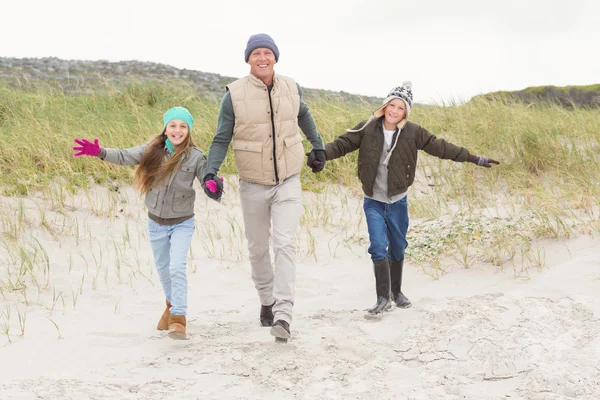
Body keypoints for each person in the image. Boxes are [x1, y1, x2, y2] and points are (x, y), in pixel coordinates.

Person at [322, 82, 500, 316]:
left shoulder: (413, 132)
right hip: (373, 200)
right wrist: (320, 154)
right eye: (391, 105)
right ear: (385, 105)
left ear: (406, 112)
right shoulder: (368, 127)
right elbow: (343, 143)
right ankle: (382, 298)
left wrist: (474, 159)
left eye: (400, 107)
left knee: (397, 247)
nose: (394, 111)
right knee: (378, 246)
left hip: (397, 201)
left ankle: (397, 293)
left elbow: (441, 148)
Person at [202, 33, 325, 342]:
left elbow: (304, 114)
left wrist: (318, 146)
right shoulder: (233, 95)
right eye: (256, 53)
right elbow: (221, 138)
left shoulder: (292, 86)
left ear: (275, 57)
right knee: (258, 248)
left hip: (288, 181)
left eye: (267, 53)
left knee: (284, 244)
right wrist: (209, 173)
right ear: (248, 59)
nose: (262, 58)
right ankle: (266, 301)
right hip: (252, 184)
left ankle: (283, 314)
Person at [72, 106, 217, 339]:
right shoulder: (152, 150)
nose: (177, 130)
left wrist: (214, 187)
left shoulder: (196, 156)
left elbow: (208, 181)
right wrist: (99, 152)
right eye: (173, 125)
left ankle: (179, 318)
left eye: (183, 126)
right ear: (166, 128)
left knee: (177, 267)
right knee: (163, 270)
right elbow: (123, 155)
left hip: (182, 222)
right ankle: (170, 307)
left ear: (189, 130)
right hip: (156, 223)